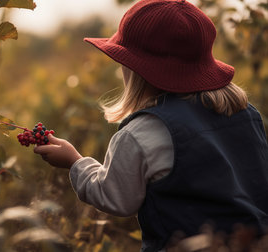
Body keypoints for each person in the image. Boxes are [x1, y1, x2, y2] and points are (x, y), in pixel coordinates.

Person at [33, 0, 268, 251]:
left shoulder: (142, 132)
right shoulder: (245, 112)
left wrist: (75, 162)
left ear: (135, 70)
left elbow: (115, 198)